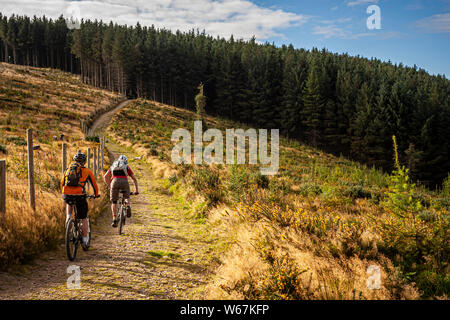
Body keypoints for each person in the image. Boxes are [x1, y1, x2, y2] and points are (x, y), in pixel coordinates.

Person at [61, 151, 100, 249]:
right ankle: (84, 239)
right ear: (85, 162)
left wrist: (64, 193)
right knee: (84, 218)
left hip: (66, 194)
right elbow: (94, 185)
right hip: (79, 195)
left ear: (74, 160)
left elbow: (62, 183)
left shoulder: (68, 169)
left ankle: (68, 217)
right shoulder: (87, 171)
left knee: (69, 201)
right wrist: (96, 195)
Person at [103, 155, 139, 227]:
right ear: (126, 161)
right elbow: (134, 179)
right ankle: (128, 206)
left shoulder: (113, 166)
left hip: (114, 182)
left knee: (114, 202)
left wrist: (109, 186)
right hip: (124, 182)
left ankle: (114, 218)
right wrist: (136, 191)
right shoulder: (126, 166)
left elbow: (105, 176)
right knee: (127, 195)